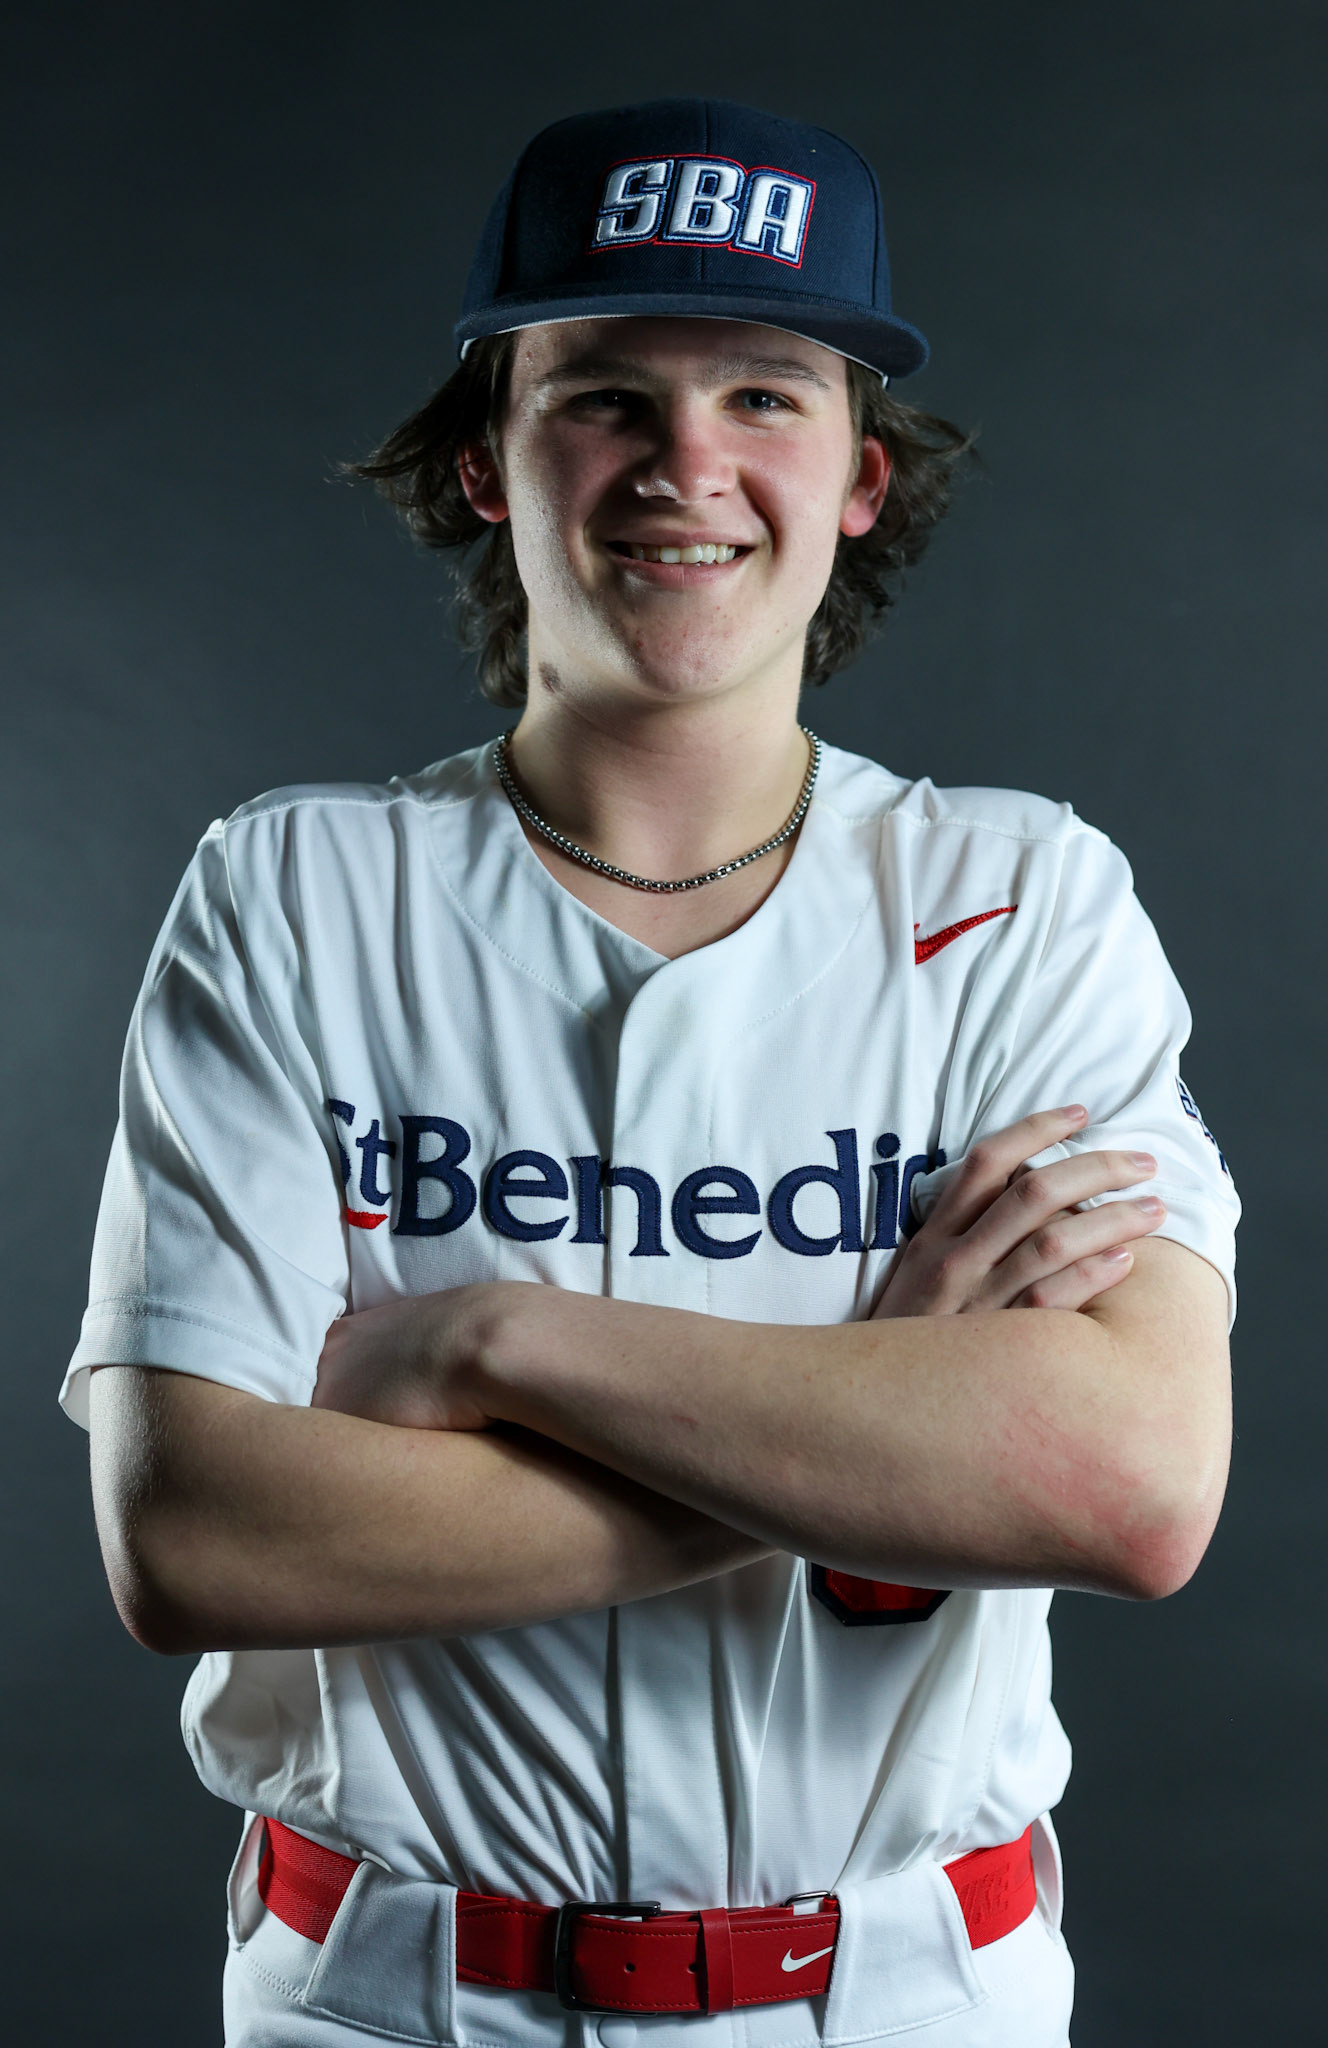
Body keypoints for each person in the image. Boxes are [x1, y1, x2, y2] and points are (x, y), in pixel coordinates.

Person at [69, 98, 1238, 2048]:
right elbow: (194, 1537)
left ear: (859, 476)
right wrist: (882, 1436)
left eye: (764, 396)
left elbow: (1122, 1485)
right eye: (603, 394)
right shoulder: (291, 890)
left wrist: (497, 1345)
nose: (684, 464)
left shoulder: (1020, 898)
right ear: (483, 464)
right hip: (391, 1999)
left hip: (900, 1997)